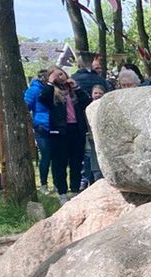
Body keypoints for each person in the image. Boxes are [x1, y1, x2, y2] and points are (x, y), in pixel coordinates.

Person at [40, 66, 92, 204]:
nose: (60, 77)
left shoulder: (73, 90)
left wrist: (76, 88)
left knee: (76, 162)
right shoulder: (51, 92)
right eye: (56, 75)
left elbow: (87, 102)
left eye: (61, 74)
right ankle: (62, 192)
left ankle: (75, 190)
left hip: (76, 130)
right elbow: (43, 99)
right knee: (59, 163)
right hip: (59, 132)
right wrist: (50, 82)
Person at [23, 68, 52, 193]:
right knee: (45, 156)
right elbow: (25, 108)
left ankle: (57, 183)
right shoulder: (34, 90)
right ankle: (44, 184)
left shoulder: (54, 88)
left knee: (55, 156)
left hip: (55, 125)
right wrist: (35, 124)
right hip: (42, 126)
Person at [81, 84, 107, 190]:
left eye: (100, 93)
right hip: (92, 140)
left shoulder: (106, 107)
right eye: (95, 93)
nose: (98, 95)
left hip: (104, 140)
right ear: (91, 94)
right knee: (92, 163)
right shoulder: (88, 108)